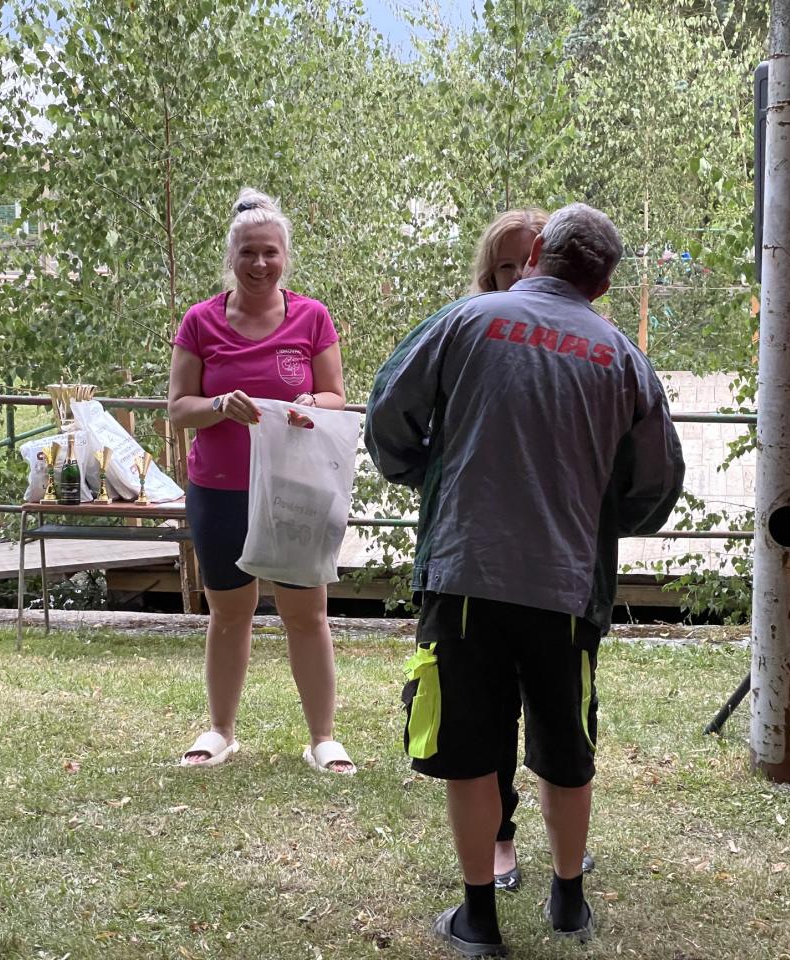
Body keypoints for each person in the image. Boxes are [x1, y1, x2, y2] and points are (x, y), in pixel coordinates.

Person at [365, 203, 684, 956]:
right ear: (603, 286)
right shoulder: (624, 360)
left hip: (465, 575)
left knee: (470, 748)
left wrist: (428, 475)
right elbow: (657, 484)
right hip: (567, 589)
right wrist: (596, 517)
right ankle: (569, 900)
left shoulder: (464, 322)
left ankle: (478, 917)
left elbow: (387, 412)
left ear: (537, 250)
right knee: (566, 743)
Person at [168, 187, 355, 775]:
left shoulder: (312, 317)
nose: (259, 263)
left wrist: (310, 405)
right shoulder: (200, 321)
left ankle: (322, 739)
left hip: (295, 488)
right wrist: (219, 404)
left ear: (285, 257)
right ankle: (220, 731)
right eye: (248, 252)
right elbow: (178, 407)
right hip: (220, 489)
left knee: (307, 613)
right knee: (229, 612)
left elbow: (336, 396)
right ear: (232, 256)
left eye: (270, 252)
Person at [467, 207, 595, 893]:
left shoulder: (595, 346)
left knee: (563, 717)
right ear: (490, 276)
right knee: (484, 719)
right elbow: (405, 434)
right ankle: (498, 839)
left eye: (531, 263)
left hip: (564, 569)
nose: (521, 277)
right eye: (507, 266)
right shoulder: (466, 333)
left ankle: (566, 848)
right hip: (481, 565)